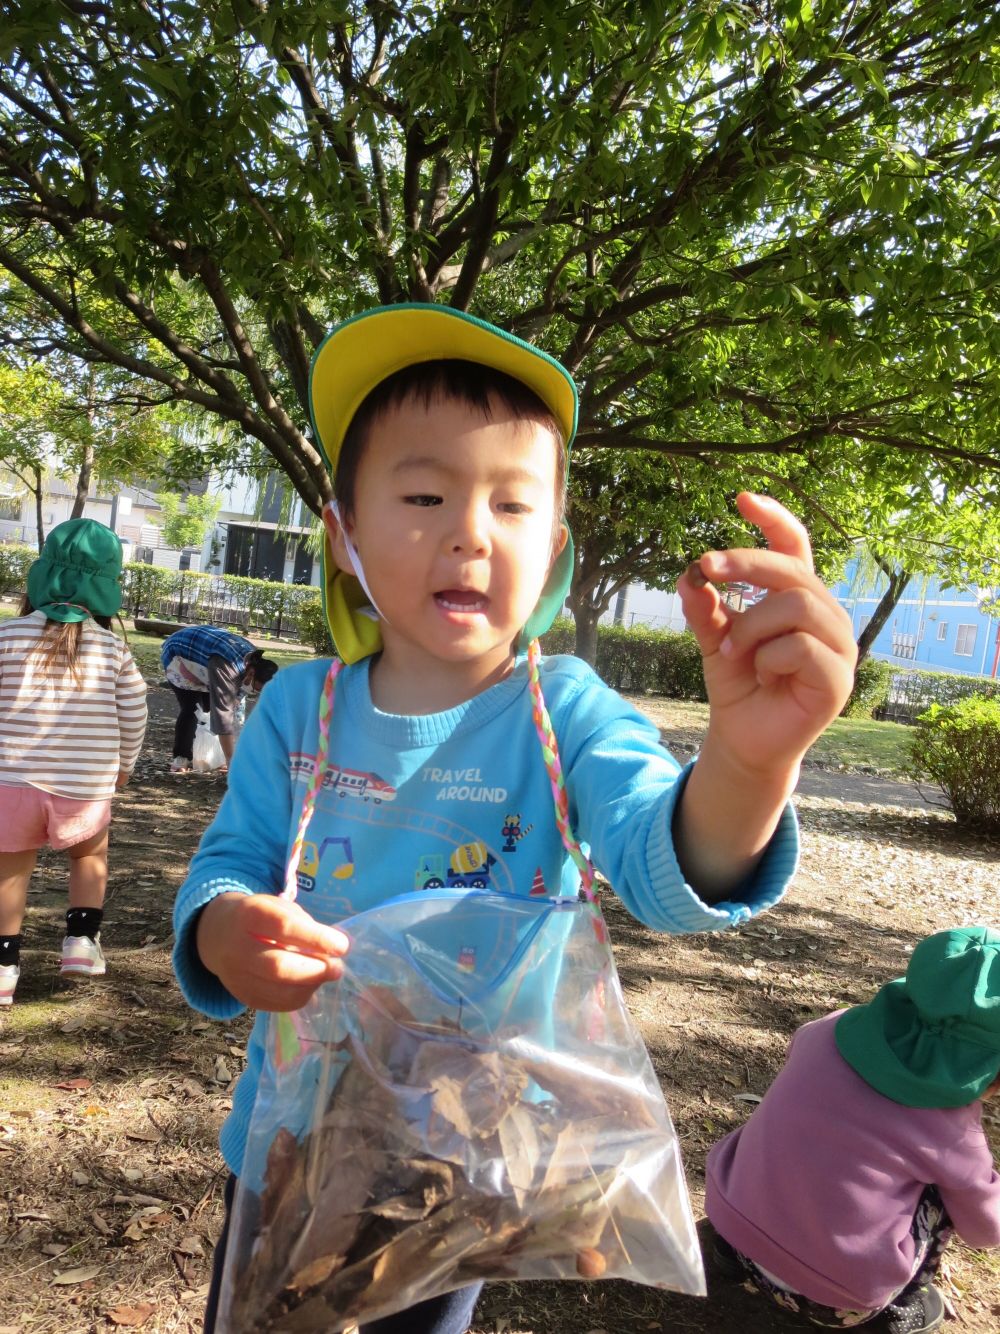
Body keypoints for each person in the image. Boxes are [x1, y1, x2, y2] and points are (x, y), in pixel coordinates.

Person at [171, 304, 857, 1334]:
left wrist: (750, 765)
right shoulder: (298, 708)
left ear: (557, 552)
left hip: (470, 1164)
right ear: (344, 533)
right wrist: (225, 932)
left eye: (511, 504)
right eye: (422, 491)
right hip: (295, 1144)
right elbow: (229, 863)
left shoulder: (566, 711)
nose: (467, 530)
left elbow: (669, 857)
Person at [706, 925, 1000, 1334]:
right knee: (946, 1195)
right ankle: (904, 1307)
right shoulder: (952, 1129)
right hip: (833, 1299)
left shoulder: (828, 1028)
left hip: (731, 1224)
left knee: (798, 1120)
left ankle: (728, 1252)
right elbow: (987, 1230)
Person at [0, 519, 148, 1004]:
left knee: (10, 871)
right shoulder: (113, 650)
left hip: (13, 780)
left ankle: (4, 966)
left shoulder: (8, 636)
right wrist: (124, 764)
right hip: (85, 784)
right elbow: (134, 712)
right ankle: (82, 943)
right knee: (89, 858)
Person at [160, 625, 277, 773]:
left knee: (211, 709)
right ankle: (181, 757)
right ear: (251, 673)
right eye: (256, 689)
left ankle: (218, 757)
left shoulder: (253, 665)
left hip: (206, 661)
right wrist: (233, 763)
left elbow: (237, 706)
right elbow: (223, 715)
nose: (254, 692)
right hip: (180, 654)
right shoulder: (227, 668)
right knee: (193, 708)